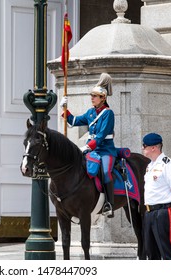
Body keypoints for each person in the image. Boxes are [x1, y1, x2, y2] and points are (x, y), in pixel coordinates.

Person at [60, 73, 117, 218]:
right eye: (91, 95)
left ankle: (109, 204)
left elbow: (101, 136)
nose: (92, 98)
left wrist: (87, 147)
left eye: (95, 96)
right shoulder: (91, 112)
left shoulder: (108, 114)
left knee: (105, 172)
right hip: (92, 149)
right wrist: (65, 110)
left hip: (105, 150)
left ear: (103, 98)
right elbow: (74, 121)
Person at [142, 133, 171, 260]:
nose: (142, 148)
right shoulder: (150, 165)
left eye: (144, 146)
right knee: (152, 253)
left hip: (163, 211)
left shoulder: (168, 164)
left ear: (153, 148)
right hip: (149, 212)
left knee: (168, 251)